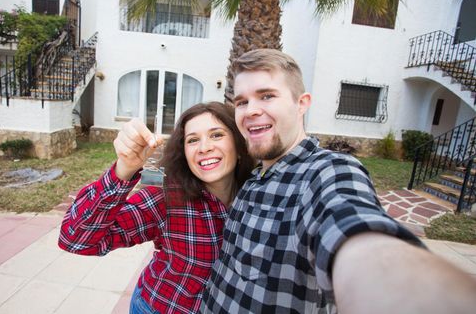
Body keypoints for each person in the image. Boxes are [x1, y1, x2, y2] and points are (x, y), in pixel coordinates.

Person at [201, 49, 476, 314]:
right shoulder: (252, 178)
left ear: (301, 104)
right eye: (242, 102)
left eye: (267, 96)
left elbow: (353, 231)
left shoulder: (327, 171)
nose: (250, 110)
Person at [58, 102, 254, 314]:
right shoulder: (166, 198)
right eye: (193, 140)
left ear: (239, 145)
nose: (204, 147)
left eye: (216, 135)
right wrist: (124, 168)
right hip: (161, 306)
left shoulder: (260, 195)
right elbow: (75, 239)